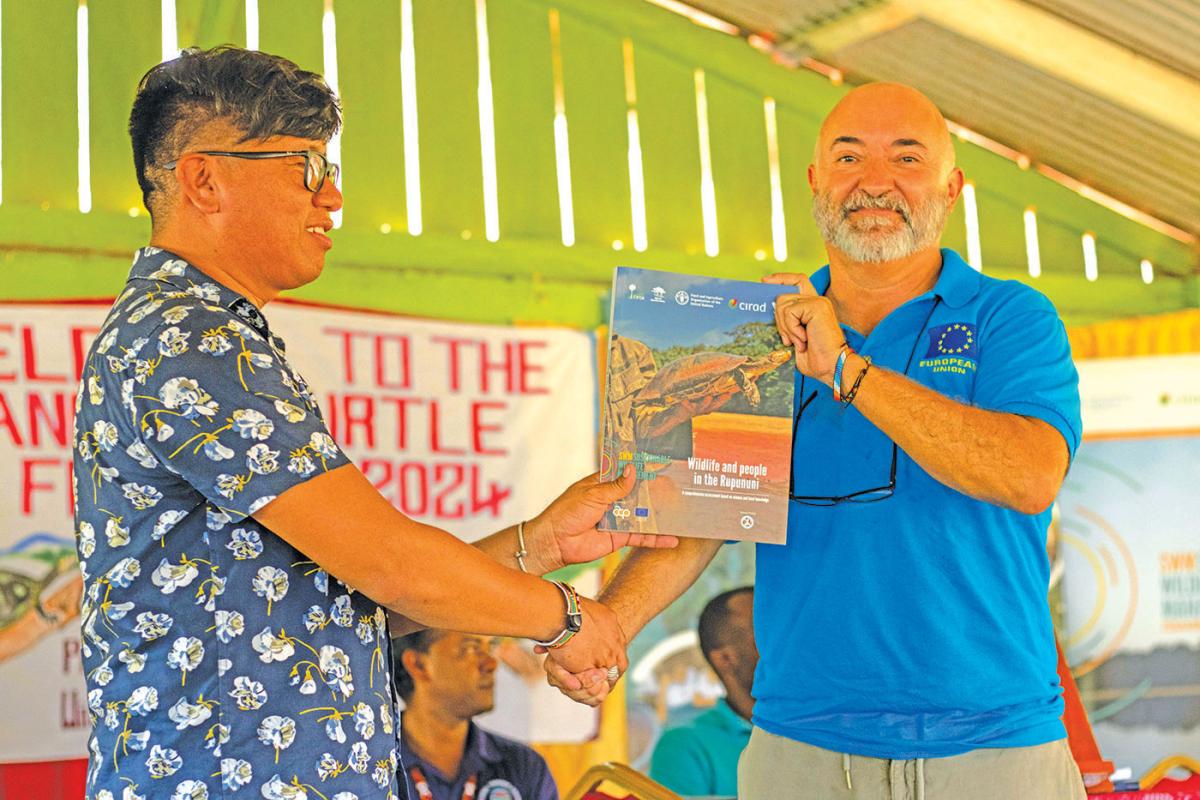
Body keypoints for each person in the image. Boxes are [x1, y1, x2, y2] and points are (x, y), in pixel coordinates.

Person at [72, 46, 674, 800]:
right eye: (306, 169)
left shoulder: (213, 335)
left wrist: (540, 544)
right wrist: (569, 616)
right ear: (204, 178)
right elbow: (394, 564)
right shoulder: (189, 339)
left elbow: (353, 599)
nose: (333, 199)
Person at [545, 82, 1086, 800]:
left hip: (994, 750)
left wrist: (844, 368)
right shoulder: (755, 333)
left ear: (952, 188)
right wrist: (605, 623)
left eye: (906, 158)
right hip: (800, 750)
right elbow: (701, 519)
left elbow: (1028, 473)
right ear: (814, 181)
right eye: (848, 156)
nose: (874, 181)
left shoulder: (1010, 317)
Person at [394, 630, 558, 800]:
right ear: (418, 665)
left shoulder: (525, 766)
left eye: (491, 646)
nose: (491, 663)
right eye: (471, 648)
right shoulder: (370, 762)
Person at [649, 586, 756, 797]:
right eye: (765, 635)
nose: (786, 648)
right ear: (725, 659)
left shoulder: (820, 729)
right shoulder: (684, 745)